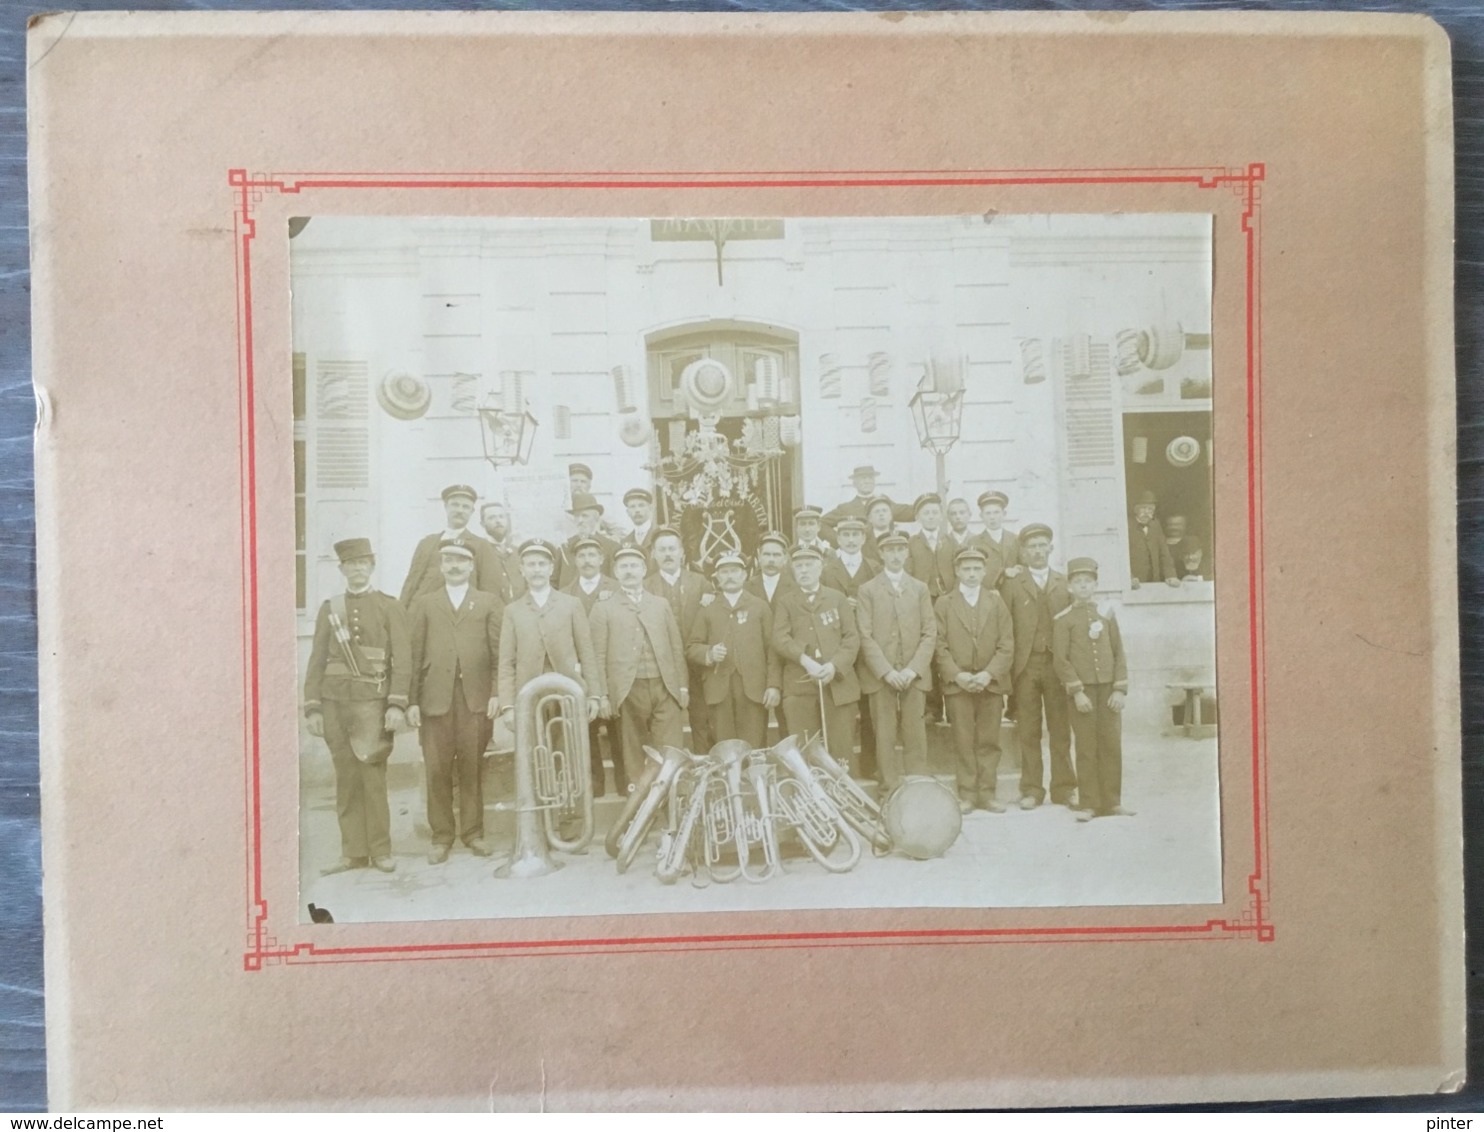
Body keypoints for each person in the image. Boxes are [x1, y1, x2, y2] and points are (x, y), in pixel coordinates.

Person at [303, 538, 410, 876]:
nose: (357, 569)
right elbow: (316, 659)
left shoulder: (389, 606)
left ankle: (380, 851)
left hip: (372, 705)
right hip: (335, 705)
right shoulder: (329, 609)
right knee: (346, 779)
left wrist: (396, 704)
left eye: (363, 563)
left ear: (372, 567)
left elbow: (402, 660)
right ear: (342, 569)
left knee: (373, 778)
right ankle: (352, 853)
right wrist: (313, 707)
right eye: (351, 564)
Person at [407, 541, 504, 864]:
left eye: (461, 560)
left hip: (475, 699)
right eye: (448, 560)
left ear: (472, 566)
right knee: (437, 770)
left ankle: (474, 833)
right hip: (434, 699)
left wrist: (495, 693)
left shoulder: (489, 602)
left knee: (472, 767)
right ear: (440, 565)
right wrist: (411, 701)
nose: (454, 565)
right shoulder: (424, 603)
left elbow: (497, 653)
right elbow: (413, 654)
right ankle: (441, 836)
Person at [496, 537, 603, 761]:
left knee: (571, 752)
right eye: (531, 564)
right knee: (535, 755)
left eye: (542, 564)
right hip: (529, 695)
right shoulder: (512, 611)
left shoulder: (571, 604)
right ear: (522, 570)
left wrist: (594, 694)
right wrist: (507, 706)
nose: (537, 570)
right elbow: (506, 662)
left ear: (551, 568)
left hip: (569, 692)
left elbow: (587, 653)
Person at [591, 546, 689, 785]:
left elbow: (676, 649)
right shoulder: (603, 607)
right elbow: (597, 656)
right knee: (632, 754)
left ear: (644, 569)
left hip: (664, 687)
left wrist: (683, 687)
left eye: (634, 565)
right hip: (628, 690)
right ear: (615, 571)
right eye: (623, 566)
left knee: (671, 751)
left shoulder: (660, 604)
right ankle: (640, 810)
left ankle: (671, 805)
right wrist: (602, 695)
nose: (629, 571)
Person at [855, 531, 936, 797]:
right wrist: (887, 671)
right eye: (889, 550)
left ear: (907, 553)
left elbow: (929, 633)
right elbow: (864, 635)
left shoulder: (919, 588)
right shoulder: (867, 590)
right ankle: (889, 787)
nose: (895, 555)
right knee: (884, 734)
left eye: (900, 549)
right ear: (881, 553)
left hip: (913, 674)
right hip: (882, 676)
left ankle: (917, 787)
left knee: (915, 733)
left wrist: (913, 669)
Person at [935, 546, 1015, 815]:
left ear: (984, 572)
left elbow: (1006, 644)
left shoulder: (996, 601)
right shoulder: (944, 603)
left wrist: (988, 673)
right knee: (963, 739)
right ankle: (967, 793)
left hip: (990, 684)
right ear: (957, 571)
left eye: (976, 569)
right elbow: (939, 645)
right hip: (958, 685)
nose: (971, 574)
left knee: (989, 741)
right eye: (966, 569)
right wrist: (958, 675)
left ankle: (987, 793)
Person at [1052, 557, 1132, 821]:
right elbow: (1060, 660)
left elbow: (1119, 652)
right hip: (1083, 693)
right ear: (1069, 587)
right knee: (1086, 747)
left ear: (1095, 585)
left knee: (1111, 744)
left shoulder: (1107, 614)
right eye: (1077, 582)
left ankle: (1112, 801)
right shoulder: (1063, 619)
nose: (1083, 586)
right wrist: (1077, 692)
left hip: (1108, 690)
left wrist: (1119, 689)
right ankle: (1089, 803)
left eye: (1088, 582)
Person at [1002, 523, 1075, 809]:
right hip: (1026, 667)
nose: (1037, 551)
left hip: (1056, 666)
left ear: (1050, 548)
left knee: (1059, 728)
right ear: (1023, 551)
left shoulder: (1063, 582)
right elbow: (1005, 626)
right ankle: (1032, 789)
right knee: (1028, 730)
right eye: (1031, 546)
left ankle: (1064, 788)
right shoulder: (1013, 584)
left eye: (1042, 545)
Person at [773, 544, 862, 773]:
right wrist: (805, 660)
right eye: (799, 566)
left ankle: (843, 799)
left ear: (820, 567)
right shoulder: (785, 601)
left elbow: (852, 638)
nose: (804, 570)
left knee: (841, 751)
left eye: (809, 565)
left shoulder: (837, 598)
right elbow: (780, 639)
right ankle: (810, 802)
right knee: (804, 751)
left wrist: (834, 666)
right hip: (800, 687)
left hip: (839, 686)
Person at [686, 552, 781, 749]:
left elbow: (772, 650)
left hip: (754, 688)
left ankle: (755, 780)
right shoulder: (708, 607)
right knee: (724, 747)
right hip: (719, 688)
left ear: (744, 575)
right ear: (717, 578)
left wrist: (773, 685)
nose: (729, 576)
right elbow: (692, 647)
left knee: (754, 745)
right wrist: (709, 653)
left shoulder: (759, 606)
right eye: (724, 572)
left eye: (735, 571)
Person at [561, 537, 626, 797]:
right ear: (576, 561)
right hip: (579, 671)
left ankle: (625, 784)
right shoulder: (564, 593)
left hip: (612, 668)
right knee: (585, 729)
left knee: (618, 729)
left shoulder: (618, 587)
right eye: (582, 555)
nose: (587, 560)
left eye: (592, 554)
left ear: (602, 559)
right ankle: (594, 786)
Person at [645, 527, 716, 754]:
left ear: (682, 553)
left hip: (696, 665)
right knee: (664, 722)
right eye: (662, 550)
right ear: (654, 555)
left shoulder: (701, 583)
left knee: (701, 718)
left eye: (672, 549)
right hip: (661, 664)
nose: (668, 554)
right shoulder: (646, 586)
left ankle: (705, 766)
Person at [399, 484, 499, 606]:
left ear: (472, 512)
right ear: (446, 506)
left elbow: (490, 590)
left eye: (465, 507)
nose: (460, 510)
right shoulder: (427, 543)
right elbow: (411, 583)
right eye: (455, 505)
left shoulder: (481, 546)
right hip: (422, 616)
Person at [822, 464, 914, 536]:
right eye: (862, 478)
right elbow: (821, 524)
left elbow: (912, 512)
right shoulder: (845, 508)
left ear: (874, 481)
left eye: (870, 477)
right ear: (854, 483)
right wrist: (840, 541)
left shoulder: (885, 503)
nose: (867, 481)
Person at [556, 493, 618, 590]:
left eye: (585, 516)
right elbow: (553, 581)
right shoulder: (564, 547)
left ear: (596, 518)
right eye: (577, 516)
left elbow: (615, 582)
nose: (580, 520)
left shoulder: (611, 546)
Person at [906, 492, 956, 601]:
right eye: (926, 513)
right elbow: (907, 573)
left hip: (948, 597)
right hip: (921, 598)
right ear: (918, 518)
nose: (931, 517)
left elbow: (957, 571)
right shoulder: (911, 543)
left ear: (942, 516)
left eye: (935, 512)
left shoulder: (950, 541)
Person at [969, 490, 1021, 588]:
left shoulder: (1015, 539)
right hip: (987, 592)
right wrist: (1003, 572)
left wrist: (1017, 570)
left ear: (1004, 514)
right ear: (981, 516)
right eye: (988, 513)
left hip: (1013, 593)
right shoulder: (974, 542)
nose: (992, 517)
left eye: (996, 512)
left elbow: (1023, 566)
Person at [1128, 490, 1180, 588]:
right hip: (1135, 583)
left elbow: (1164, 553)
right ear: (1135, 509)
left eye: (1150, 509)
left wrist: (1171, 575)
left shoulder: (1155, 525)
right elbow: (1121, 556)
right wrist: (1129, 577)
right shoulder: (1127, 526)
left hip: (1154, 581)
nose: (1147, 512)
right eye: (1143, 508)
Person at [822, 517, 878, 606]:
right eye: (846, 535)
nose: (851, 540)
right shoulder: (826, 572)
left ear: (863, 538)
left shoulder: (875, 569)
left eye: (855, 534)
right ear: (838, 539)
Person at [478, 501, 525, 603]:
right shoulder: (478, 552)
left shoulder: (518, 552)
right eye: (492, 518)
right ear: (482, 524)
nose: (498, 521)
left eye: (501, 517)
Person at [745, 531, 797, 611]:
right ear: (759, 557)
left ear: (785, 559)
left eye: (776, 555)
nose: (771, 560)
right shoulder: (746, 588)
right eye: (766, 554)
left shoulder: (795, 589)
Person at [620, 487, 660, 564]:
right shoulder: (625, 542)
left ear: (650, 508)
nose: (637, 510)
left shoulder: (660, 535)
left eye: (641, 505)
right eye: (632, 506)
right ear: (627, 512)